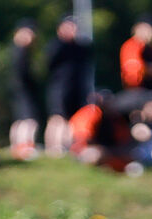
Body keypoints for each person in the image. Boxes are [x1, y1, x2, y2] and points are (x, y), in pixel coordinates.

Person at [43, 15, 92, 157]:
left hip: (77, 89)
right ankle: (53, 148)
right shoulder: (56, 45)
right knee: (57, 117)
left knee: (73, 119)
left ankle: (67, 147)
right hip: (59, 88)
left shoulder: (81, 48)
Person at [118, 15, 152, 108]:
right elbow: (134, 70)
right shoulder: (131, 46)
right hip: (136, 92)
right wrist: (151, 69)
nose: (151, 33)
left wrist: (150, 69)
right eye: (148, 29)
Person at [8, 20, 40, 158]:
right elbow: (23, 74)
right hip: (23, 89)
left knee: (20, 119)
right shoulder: (20, 50)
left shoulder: (17, 49)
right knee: (29, 119)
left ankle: (17, 146)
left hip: (17, 89)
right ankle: (25, 146)